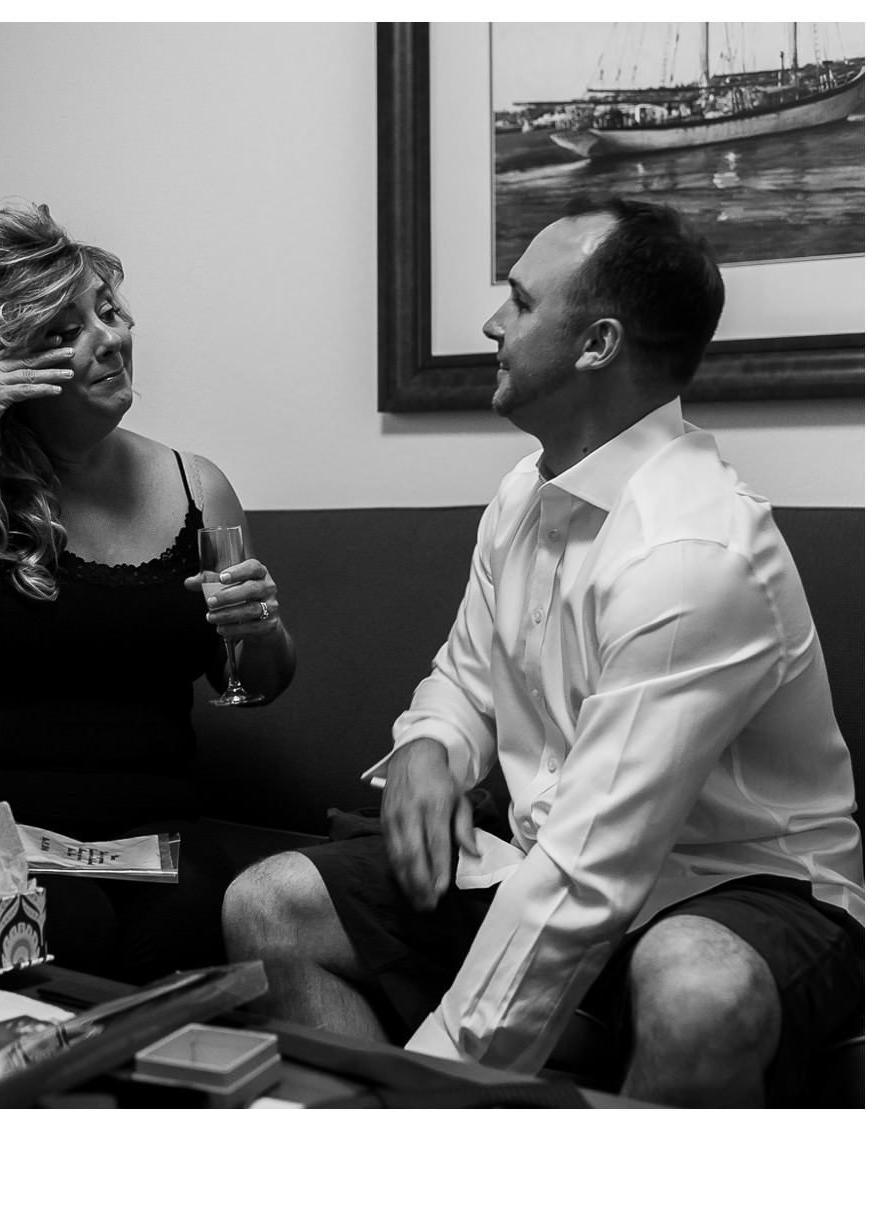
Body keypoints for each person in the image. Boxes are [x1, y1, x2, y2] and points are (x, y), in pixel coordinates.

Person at [221, 194, 863, 1107]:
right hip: (547, 855)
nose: (492, 321)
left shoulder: (692, 556)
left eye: (519, 302)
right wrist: (427, 747)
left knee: (695, 992)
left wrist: (433, 1090)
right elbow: (465, 677)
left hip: (737, 887)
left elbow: (591, 870)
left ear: (596, 345)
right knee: (268, 905)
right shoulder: (524, 493)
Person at [0, 200, 296, 983]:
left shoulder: (198, 485)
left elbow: (251, 683)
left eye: (109, 312)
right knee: (65, 931)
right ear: (7, 364)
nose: (110, 339)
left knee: (187, 934)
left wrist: (262, 632)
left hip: (145, 834)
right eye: (63, 332)